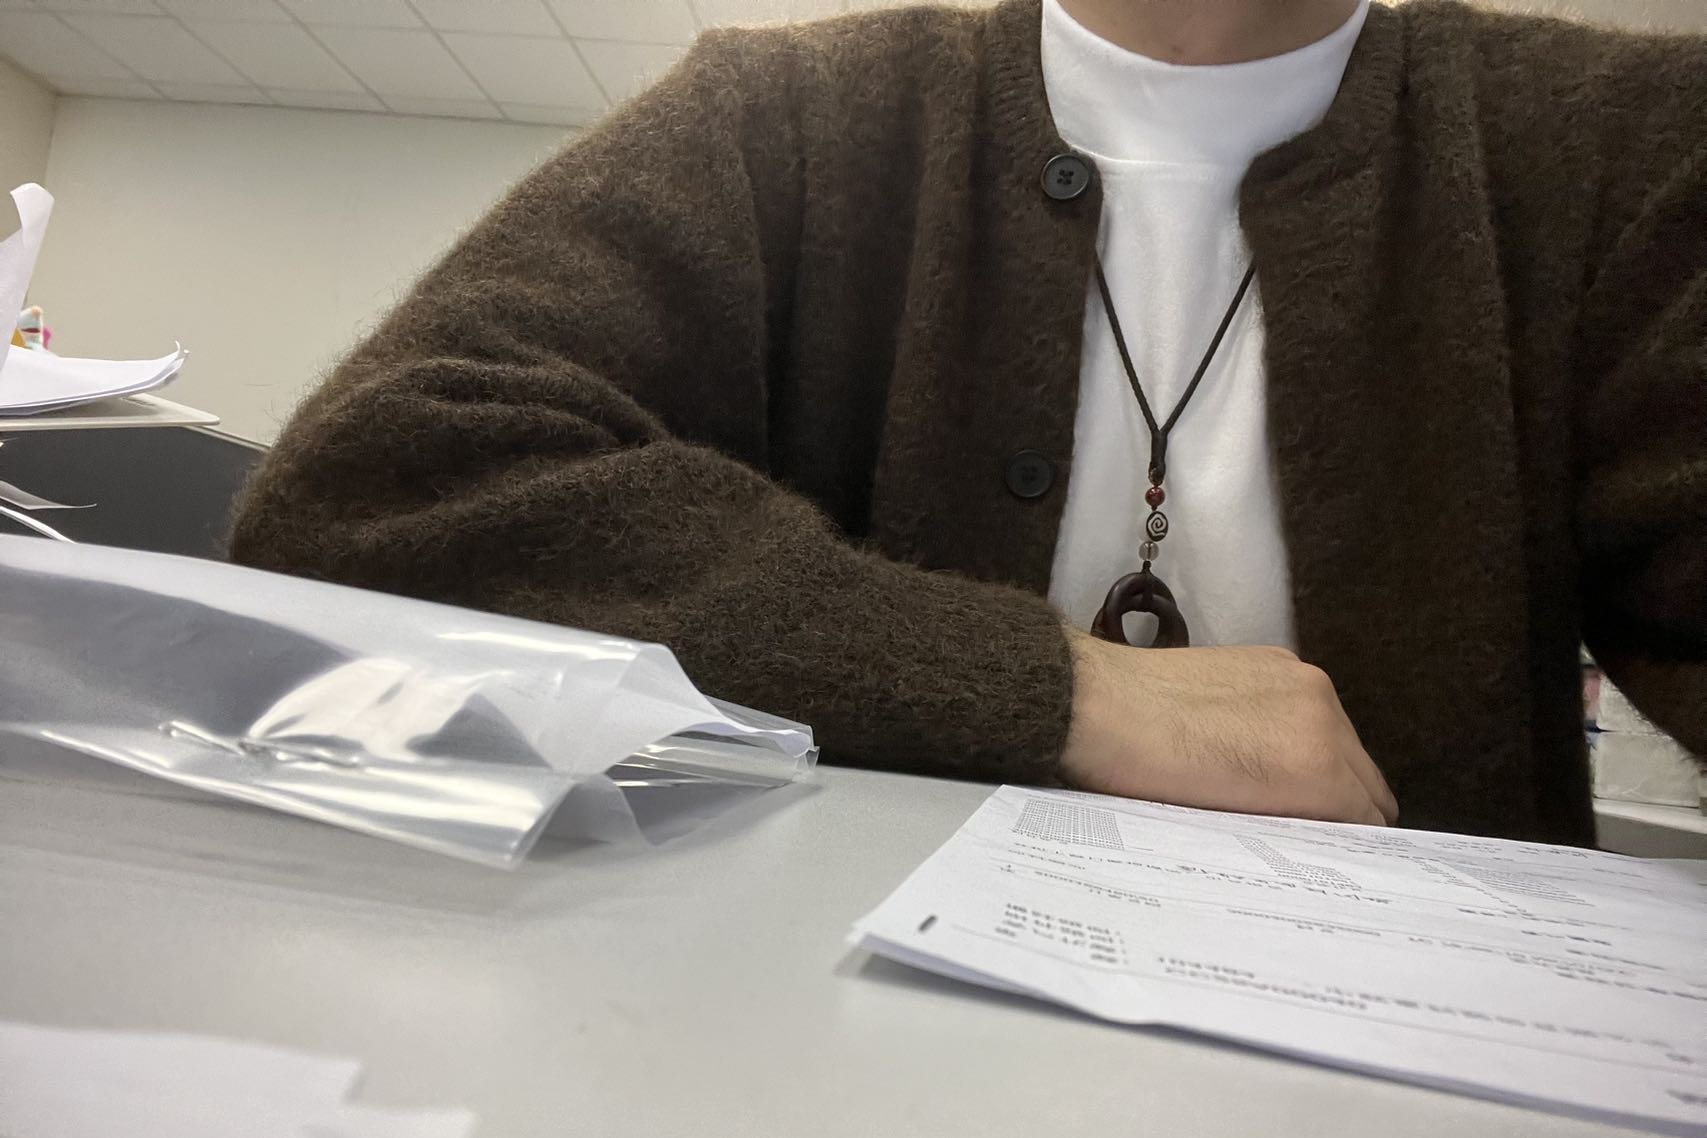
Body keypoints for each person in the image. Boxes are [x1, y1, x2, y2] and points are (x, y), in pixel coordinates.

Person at [229, 0, 1707, 845]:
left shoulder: (1624, 150)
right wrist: (1050, 691)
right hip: (816, 1062)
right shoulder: (784, 117)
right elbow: (374, 483)